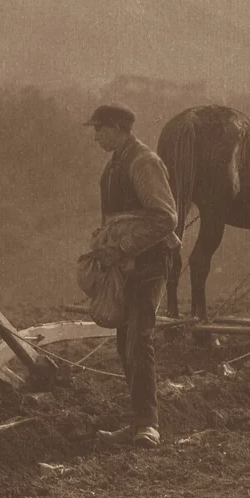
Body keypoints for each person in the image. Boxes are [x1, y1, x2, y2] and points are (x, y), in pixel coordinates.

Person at [85, 103, 179, 449]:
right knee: (125, 344)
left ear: (119, 130)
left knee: (139, 338)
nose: (96, 136)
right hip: (124, 266)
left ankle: (148, 425)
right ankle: (137, 421)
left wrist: (122, 247)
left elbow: (166, 219)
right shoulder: (113, 168)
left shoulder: (143, 163)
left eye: (100, 129)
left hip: (150, 264)